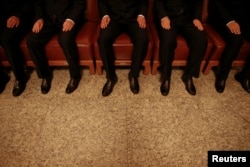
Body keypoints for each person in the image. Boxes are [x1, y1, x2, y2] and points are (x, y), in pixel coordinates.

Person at [26, 0, 86, 94]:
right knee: (32, 41)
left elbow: (80, 3)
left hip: (69, 18)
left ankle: (75, 76)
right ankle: (45, 75)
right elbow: (38, 3)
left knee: (65, 39)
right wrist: (39, 18)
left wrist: (71, 19)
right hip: (49, 20)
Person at [154, 0, 208, 96]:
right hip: (168, 16)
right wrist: (163, 16)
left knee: (201, 40)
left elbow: (199, 2)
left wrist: (197, 17)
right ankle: (166, 77)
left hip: (188, 18)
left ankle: (188, 75)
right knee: (168, 41)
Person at [97, 0, 149, 96]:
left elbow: (144, 2)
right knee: (103, 39)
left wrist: (141, 15)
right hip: (112, 18)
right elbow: (101, 1)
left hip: (134, 18)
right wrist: (105, 15)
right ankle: (111, 77)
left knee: (143, 38)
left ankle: (134, 74)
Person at [208, 0, 250, 93]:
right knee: (236, 40)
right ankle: (222, 76)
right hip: (223, 18)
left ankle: (245, 76)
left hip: (244, 19)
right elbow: (217, 3)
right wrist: (230, 21)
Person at [0, 0, 33, 96]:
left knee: (6, 40)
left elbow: (30, 3)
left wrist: (17, 15)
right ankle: (2, 77)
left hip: (22, 14)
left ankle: (20, 77)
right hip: (2, 16)